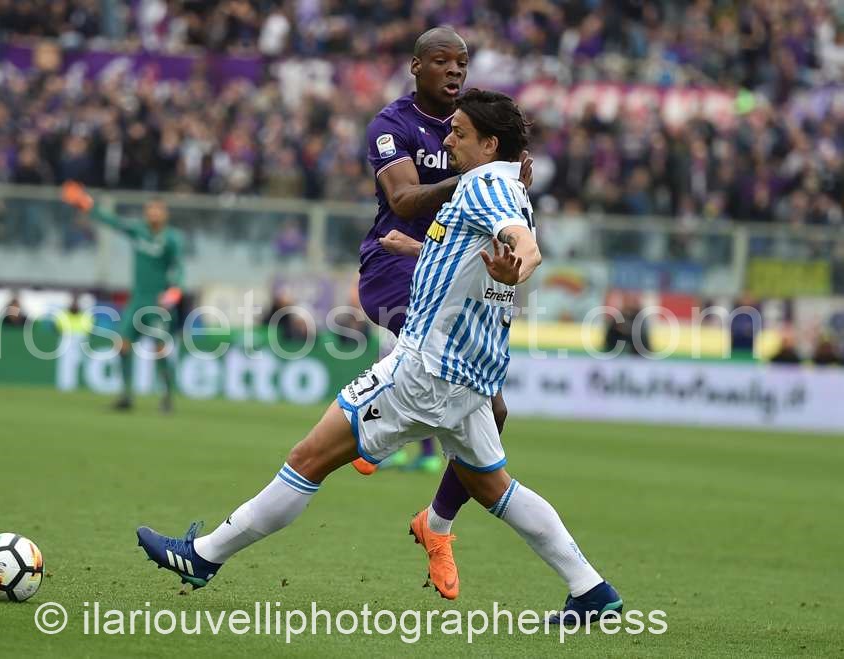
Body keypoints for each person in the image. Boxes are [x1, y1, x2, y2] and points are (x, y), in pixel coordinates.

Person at [137, 90, 623, 623]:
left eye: (459, 133)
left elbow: (523, 247)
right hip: (469, 378)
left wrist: (520, 265)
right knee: (496, 488)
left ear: (489, 144)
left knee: (308, 459)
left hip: (425, 370)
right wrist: (416, 249)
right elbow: (471, 254)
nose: (448, 140)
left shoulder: (486, 185)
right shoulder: (511, 188)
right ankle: (590, 589)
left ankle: (204, 556)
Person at [351, 25, 532, 600]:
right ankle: (373, 426)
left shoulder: (478, 129)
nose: (454, 70)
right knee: (470, 396)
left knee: (495, 412)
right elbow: (403, 200)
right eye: (442, 61)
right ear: (416, 66)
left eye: (462, 62)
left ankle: (435, 521)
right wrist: (477, 177)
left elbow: (504, 212)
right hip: (394, 268)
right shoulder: (393, 126)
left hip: (448, 274)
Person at [60, 182, 184, 412]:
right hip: (137, 299)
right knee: (122, 345)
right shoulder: (139, 231)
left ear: (165, 214)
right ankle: (126, 395)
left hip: (158, 303)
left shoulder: (172, 238)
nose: (153, 213)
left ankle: (167, 397)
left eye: (157, 210)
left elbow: (178, 266)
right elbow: (112, 221)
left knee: (160, 349)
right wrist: (85, 203)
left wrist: (175, 289)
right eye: (150, 209)